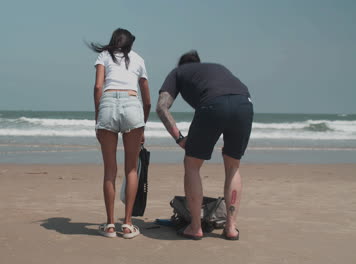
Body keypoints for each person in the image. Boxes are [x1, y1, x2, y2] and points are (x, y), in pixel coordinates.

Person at [156, 50, 253, 240]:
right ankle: (231, 228)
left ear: (181, 65)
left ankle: (195, 227)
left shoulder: (177, 73)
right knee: (233, 166)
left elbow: (161, 107)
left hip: (213, 104)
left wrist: (179, 138)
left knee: (192, 165)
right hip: (244, 103)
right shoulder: (217, 68)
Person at [89, 28, 151, 239]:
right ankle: (127, 224)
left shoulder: (104, 56)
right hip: (133, 104)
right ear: (129, 44)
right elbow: (148, 98)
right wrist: (142, 125)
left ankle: (108, 225)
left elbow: (98, 87)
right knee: (131, 168)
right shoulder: (139, 59)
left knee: (109, 170)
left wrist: (98, 118)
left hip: (107, 104)